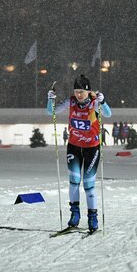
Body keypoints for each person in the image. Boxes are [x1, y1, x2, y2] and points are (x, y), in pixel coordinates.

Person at [47, 74, 112, 232]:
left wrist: (102, 102)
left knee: (88, 185)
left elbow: (108, 114)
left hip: (91, 148)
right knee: (74, 181)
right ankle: (74, 214)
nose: (78, 94)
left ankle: (92, 217)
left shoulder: (94, 102)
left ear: (88, 91)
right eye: (76, 91)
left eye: (81, 91)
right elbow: (51, 113)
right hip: (74, 147)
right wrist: (50, 100)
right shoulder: (71, 102)